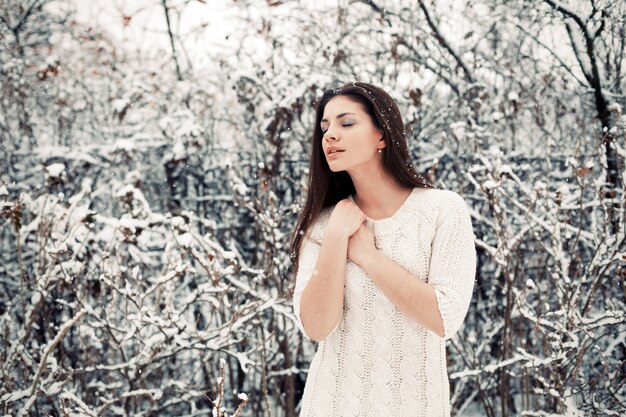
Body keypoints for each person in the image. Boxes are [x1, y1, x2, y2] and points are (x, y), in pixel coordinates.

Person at [289, 82, 476, 417]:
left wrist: (366, 256)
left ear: (383, 135)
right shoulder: (322, 225)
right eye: (325, 127)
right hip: (330, 406)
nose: (330, 135)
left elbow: (444, 317)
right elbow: (317, 327)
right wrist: (335, 239)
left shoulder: (442, 210)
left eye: (346, 123)